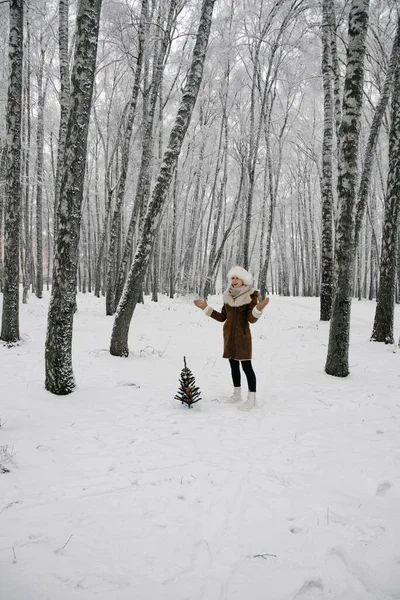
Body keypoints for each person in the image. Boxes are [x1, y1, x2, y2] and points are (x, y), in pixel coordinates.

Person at [193, 266, 269, 411]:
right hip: (229, 337)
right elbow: (222, 317)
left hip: (242, 337)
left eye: (237, 278)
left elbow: (251, 319)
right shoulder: (228, 296)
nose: (234, 281)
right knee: (233, 365)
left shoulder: (250, 296)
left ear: (243, 280)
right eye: (232, 278)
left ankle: (251, 399)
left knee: (247, 367)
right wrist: (205, 307)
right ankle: (236, 394)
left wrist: (258, 309)